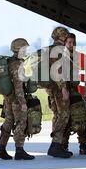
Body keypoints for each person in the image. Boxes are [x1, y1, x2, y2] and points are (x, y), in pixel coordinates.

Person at [34, 27, 72, 158]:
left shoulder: (47, 50)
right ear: (64, 37)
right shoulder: (59, 50)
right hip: (58, 88)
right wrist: (63, 88)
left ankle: (58, 144)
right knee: (64, 115)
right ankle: (55, 145)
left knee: (57, 115)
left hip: (50, 88)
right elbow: (58, 70)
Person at [0, 38, 35, 160]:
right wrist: (22, 102)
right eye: (24, 48)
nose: (26, 51)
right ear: (19, 49)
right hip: (16, 100)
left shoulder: (9, 62)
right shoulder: (18, 64)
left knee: (8, 123)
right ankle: (19, 150)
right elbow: (18, 85)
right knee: (21, 123)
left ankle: (1, 149)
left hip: (7, 99)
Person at [62, 33, 86, 155]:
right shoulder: (60, 59)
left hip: (80, 95)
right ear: (64, 43)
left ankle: (83, 146)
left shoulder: (83, 58)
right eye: (69, 42)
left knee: (81, 121)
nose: (71, 45)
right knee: (66, 121)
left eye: (73, 42)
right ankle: (64, 146)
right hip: (66, 96)